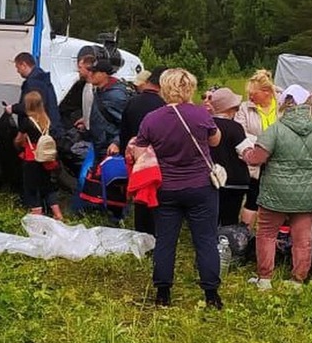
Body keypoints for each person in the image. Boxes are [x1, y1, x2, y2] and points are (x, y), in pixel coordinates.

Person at [134, 68, 223, 309]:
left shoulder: (152, 119)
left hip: (167, 187)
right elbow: (215, 140)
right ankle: (211, 294)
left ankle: (163, 293)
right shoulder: (200, 114)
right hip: (201, 186)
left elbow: (140, 152)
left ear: (164, 88)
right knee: (205, 239)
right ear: (190, 89)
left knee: (165, 239)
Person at [241, 85, 312, 290]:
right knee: (303, 239)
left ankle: (264, 279)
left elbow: (256, 159)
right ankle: (297, 281)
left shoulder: (275, 129)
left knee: (266, 234)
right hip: (308, 196)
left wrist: (246, 151)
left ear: (284, 104)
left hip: (274, 193)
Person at [119, 65, 167, 234]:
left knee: (140, 198)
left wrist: (126, 156)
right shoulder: (164, 106)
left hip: (136, 158)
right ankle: (155, 235)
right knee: (156, 199)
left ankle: (141, 234)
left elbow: (123, 133)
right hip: (159, 161)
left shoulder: (132, 102)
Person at [234, 69, 281, 227]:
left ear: (266, 92)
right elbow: (240, 133)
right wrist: (265, 144)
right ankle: (244, 232)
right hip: (256, 160)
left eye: (253, 93)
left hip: (279, 160)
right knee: (253, 195)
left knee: (279, 199)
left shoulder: (284, 105)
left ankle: (274, 232)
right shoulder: (244, 108)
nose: (250, 97)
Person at [14, 91, 64, 221]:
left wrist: (18, 145)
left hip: (32, 158)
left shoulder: (27, 121)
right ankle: (58, 214)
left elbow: (19, 139)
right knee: (47, 186)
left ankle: (37, 215)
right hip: (46, 158)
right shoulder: (46, 120)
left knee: (31, 187)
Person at [208, 87, 252, 226]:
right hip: (235, 180)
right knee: (230, 219)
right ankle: (226, 242)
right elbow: (245, 152)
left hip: (210, 180)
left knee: (211, 217)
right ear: (230, 108)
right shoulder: (235, 128)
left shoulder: (206, 125)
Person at [5, 52, 63, 139]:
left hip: (38, 132)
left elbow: (31, 107)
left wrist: (13, 108)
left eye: (18, 67)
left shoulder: (33, 83)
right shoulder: (42, 79)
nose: (17, 71)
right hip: (50, 128)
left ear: (24, 65)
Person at [88, 59, 129, 159]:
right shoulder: (100, 91)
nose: (90, 74)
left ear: (104, 74)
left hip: (110, 149)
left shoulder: (116, 96)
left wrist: (117, 143)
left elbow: (126, 124)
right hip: (100, 145)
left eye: (94, 72)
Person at [74, 54, 97, 132]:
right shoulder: (87, 86)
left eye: (80, 67)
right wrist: (85, 119)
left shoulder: (94, 89)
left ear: (88, 69)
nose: (78, 70)